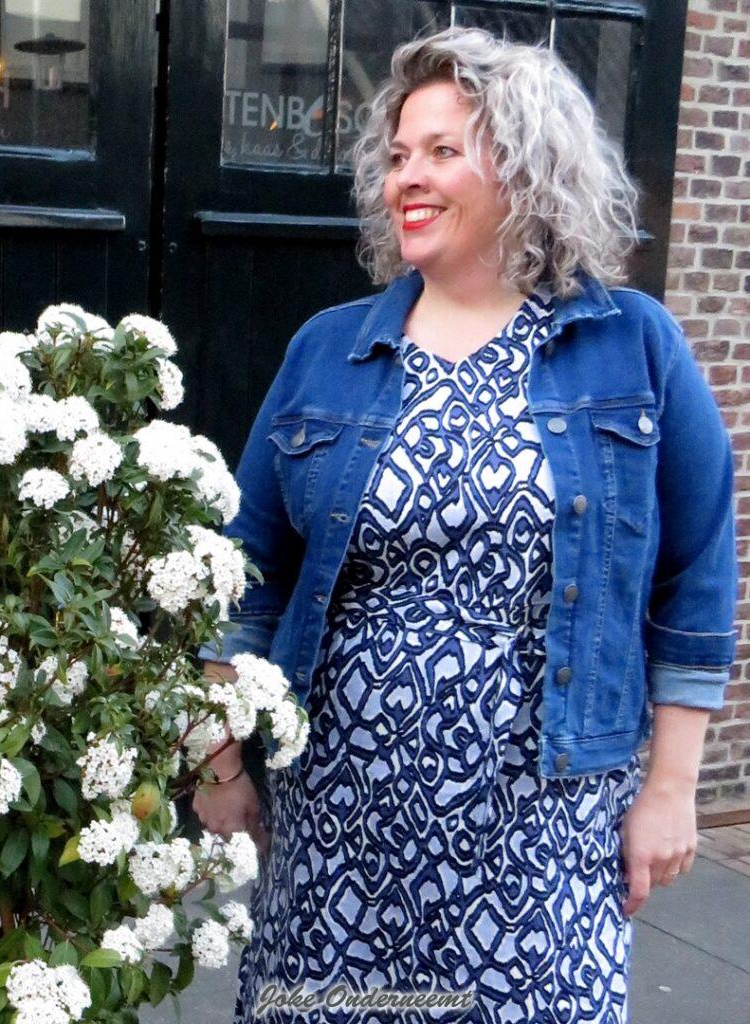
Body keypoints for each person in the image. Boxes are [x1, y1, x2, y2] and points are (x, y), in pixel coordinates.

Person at [194, 25, 738, 1024]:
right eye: (399, 154)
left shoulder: (631, 346)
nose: (407, 175)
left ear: (526, 166)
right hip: (337, 822)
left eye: (443, 150)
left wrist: (670, 788)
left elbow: (695, 578)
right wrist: (217, 759)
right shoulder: (328, 350)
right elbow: (242, 568)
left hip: (543, 827)